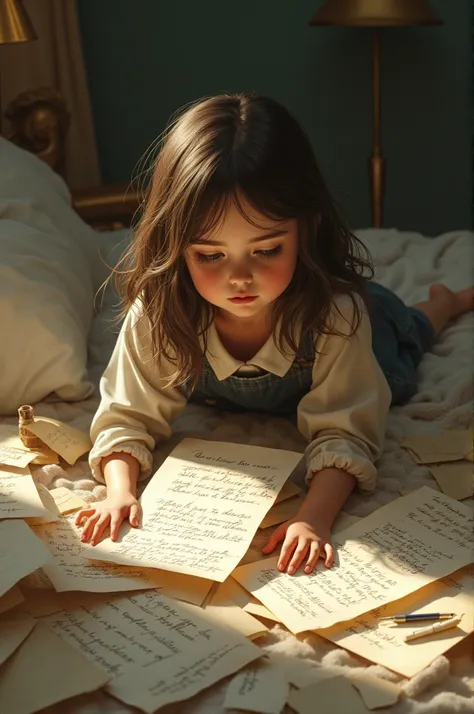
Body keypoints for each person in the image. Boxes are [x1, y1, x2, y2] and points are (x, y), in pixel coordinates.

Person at [76, 93, 473, 575]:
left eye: (265, 250)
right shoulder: (159, 313)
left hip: (353, 323)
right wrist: (120, 491)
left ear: (307, 230)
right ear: (175, 245)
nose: (239, 278)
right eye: (210, 255)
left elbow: (347, 433)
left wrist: (314, 520)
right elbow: (126, 416)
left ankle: (444, 301)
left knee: (409, 338)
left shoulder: (336, 316)